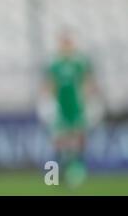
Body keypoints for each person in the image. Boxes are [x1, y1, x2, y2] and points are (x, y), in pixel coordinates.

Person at [42, 31, 98, 187]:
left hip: (76, 107)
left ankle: (77, 173)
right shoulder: (54, 64)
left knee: (79, 139)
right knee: (59, 141)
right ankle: (53, 176)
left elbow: (88, 83)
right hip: (60, 107)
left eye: (68, 42)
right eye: (64, 42)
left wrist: (89, 102)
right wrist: (48, 103)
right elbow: (49, 85)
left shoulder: (80, 63)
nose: (66, 45)